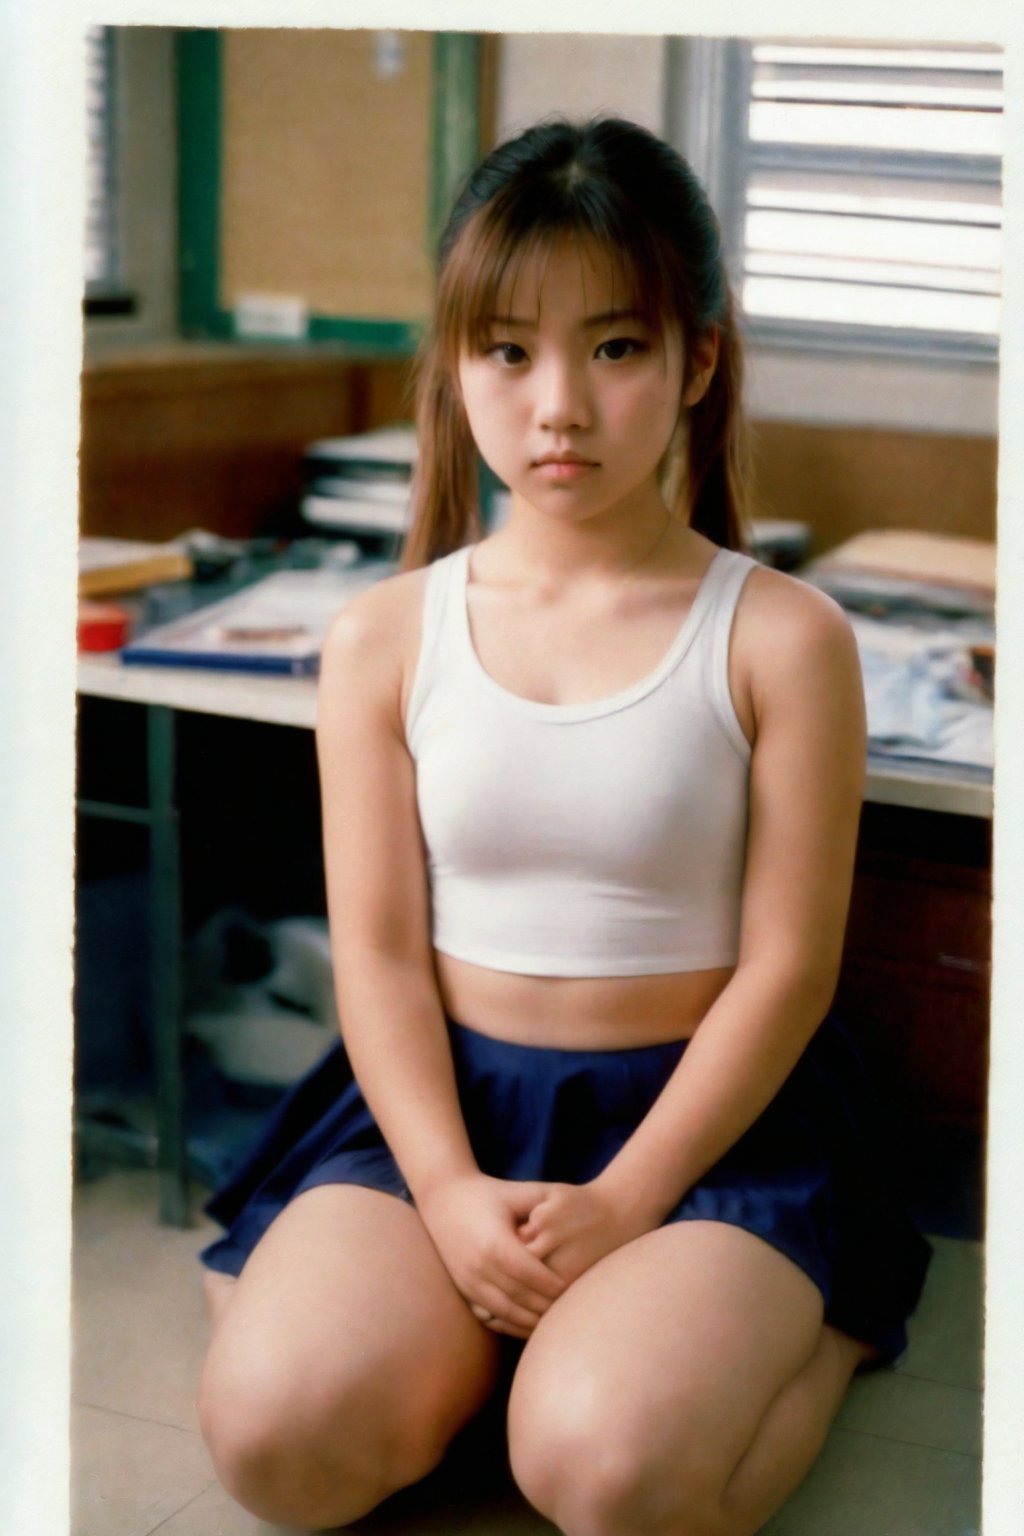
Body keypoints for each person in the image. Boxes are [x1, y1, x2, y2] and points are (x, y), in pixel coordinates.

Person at [196, 116, 931, 1535]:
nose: (558, 409)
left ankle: (814, 1330)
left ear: (698, 360)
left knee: (603, 1472)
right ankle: (481, 1342)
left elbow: (789, 968)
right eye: (507, 351)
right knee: (277, 1442)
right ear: (457, 364)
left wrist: (628, 1198)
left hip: (706, 1124)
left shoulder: (786, 637)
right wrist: (449, 1194)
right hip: (439, 1112)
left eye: (615, 347)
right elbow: (384, 962)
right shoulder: (379, 636)